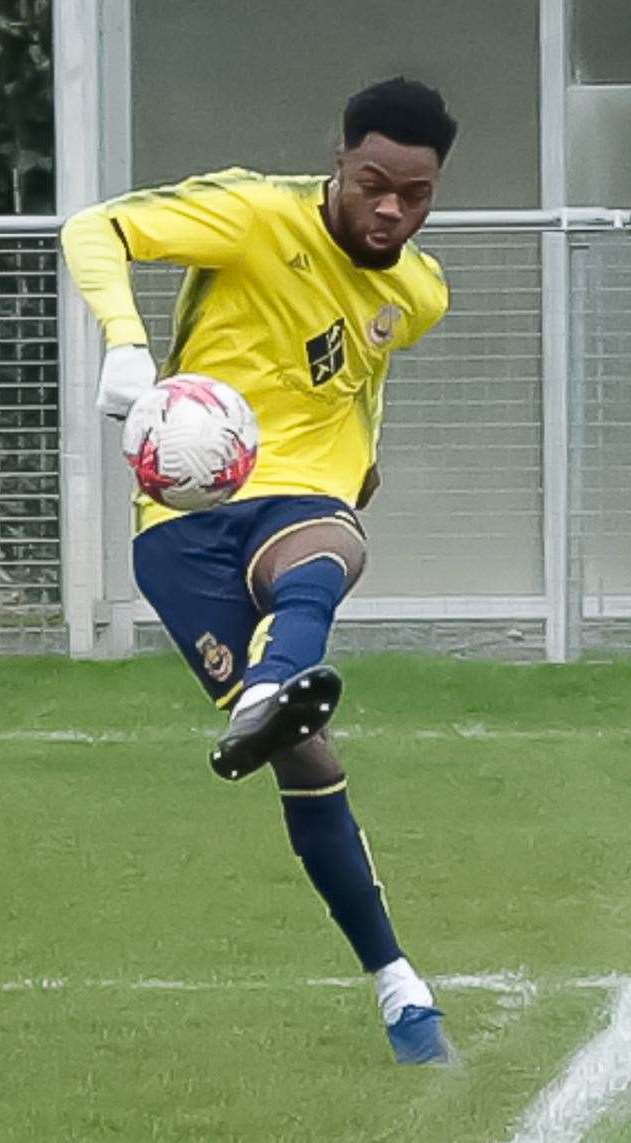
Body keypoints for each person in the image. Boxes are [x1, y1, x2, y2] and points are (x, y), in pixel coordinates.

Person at [60, 77, 457, 1065]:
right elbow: (95, 229)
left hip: (303, 499)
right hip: (184, 519)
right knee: (302, 757)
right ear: (339, 160)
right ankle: (395, 977)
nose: (392, 210)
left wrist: (355, 472)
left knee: (323, 550)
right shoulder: (250, 217)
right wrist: (125, 344)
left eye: (415, 192)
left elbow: (358, 393)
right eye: (374, 183)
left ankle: (278, 683)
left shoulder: (419, 292)